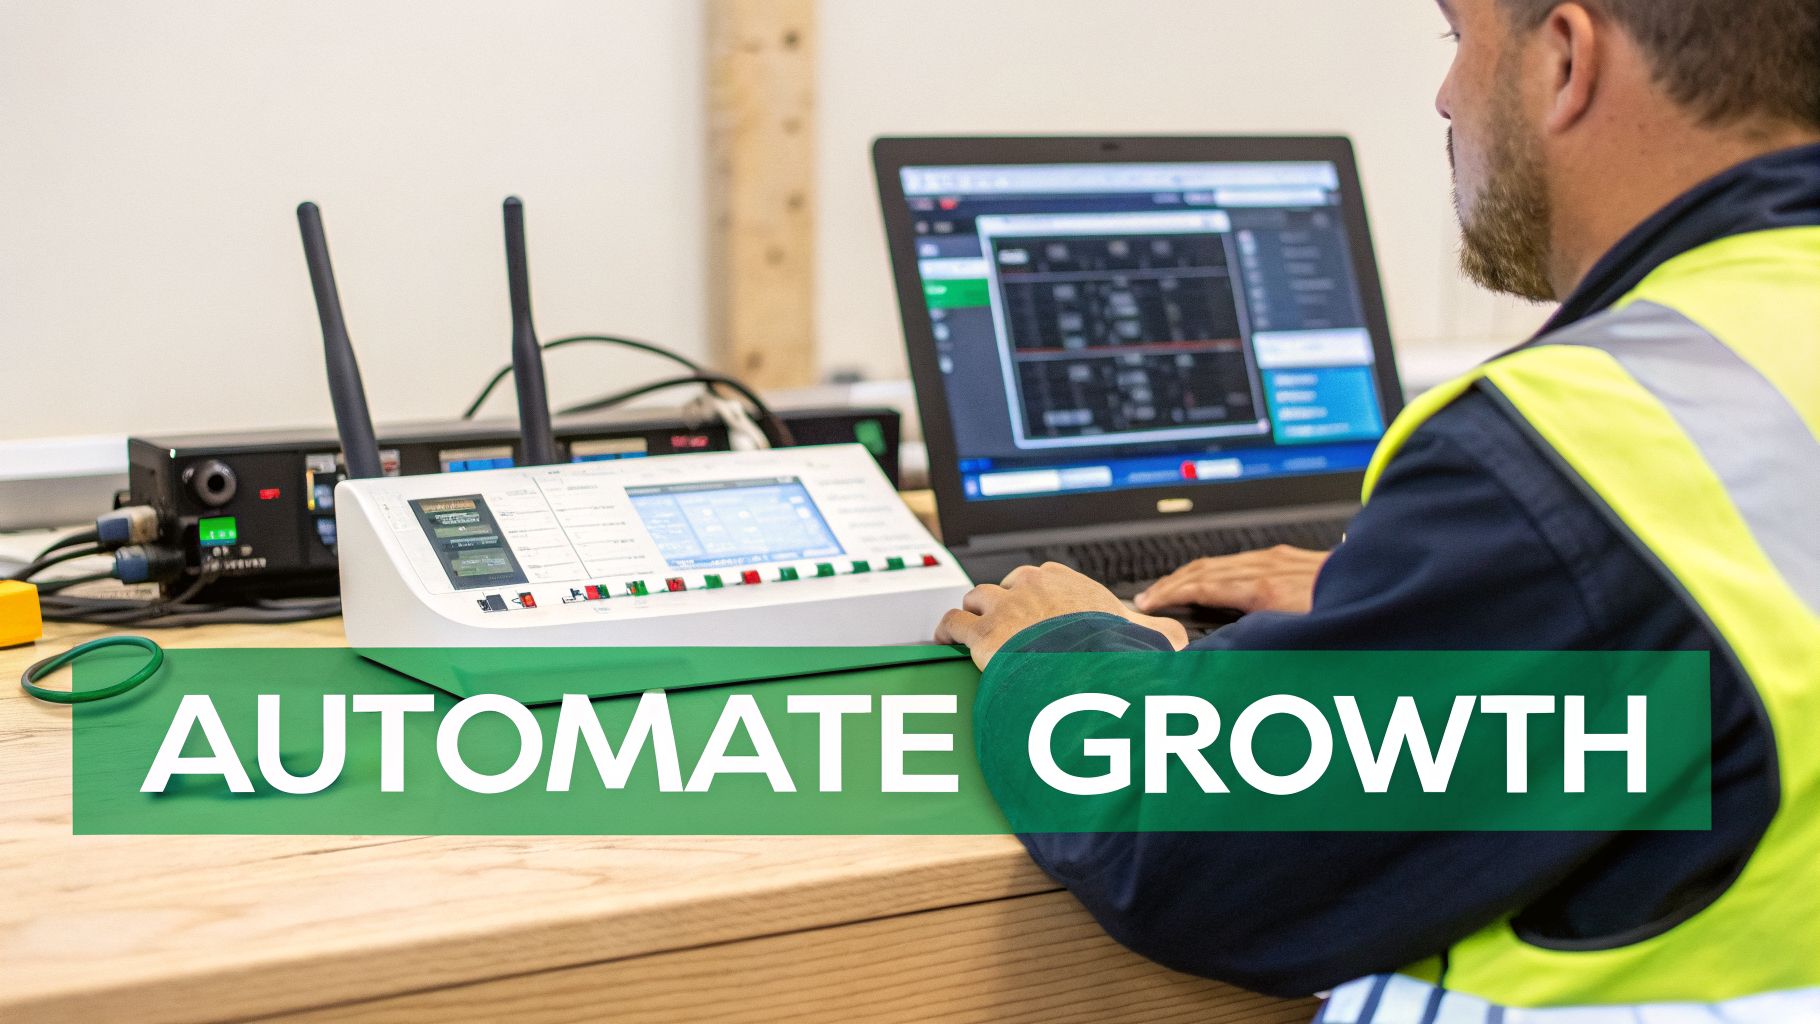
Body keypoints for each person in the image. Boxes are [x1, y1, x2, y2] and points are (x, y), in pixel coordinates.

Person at [936, 0, 1820, 1017]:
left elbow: (1184, 850)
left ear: (1566, 58)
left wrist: (1063, 654)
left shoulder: (1587, 451)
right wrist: (1429, 602)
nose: (1445, 97)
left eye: (1458, 41)